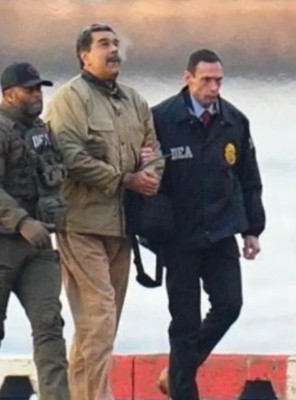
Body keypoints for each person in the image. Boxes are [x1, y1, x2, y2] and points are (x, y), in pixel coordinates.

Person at [43, 24, 164, 400]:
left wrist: (150, 175)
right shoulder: (70, 99)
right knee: (100, 317)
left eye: (115, 43)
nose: (113, 50)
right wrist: (125, 179)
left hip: (123, 227)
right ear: (84, 56)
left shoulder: (134, 101)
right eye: (103, 45)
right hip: (81, 224)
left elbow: (154, 150)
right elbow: (70, 156)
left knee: (100, 325)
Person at [151, 49, 265, 399]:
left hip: (220, 231)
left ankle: (177, 372)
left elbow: (249, 179)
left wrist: (252, 230)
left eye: (219, 81)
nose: (214, 88)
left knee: (229, 304)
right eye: (206, 80)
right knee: (184, 323)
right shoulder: (161, 119)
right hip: (179, 237)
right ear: (188, 78)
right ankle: (184, 390)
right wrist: (152, 230)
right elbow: (148, 180)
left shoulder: (234, 121)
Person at [0, 61, 70, 400]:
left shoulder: (40, 133)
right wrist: (21, 221)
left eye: (39, 89)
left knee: (50, 326)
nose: (37, 95)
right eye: (29, 89)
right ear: (8, 94)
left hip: (38, 248)